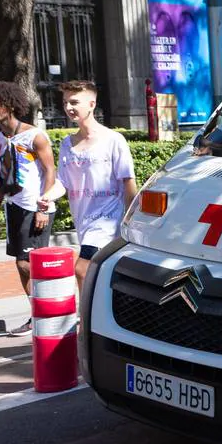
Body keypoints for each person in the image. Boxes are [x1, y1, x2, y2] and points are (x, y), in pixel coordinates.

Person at [37, 81, 137, 289]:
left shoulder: (113, 140)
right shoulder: (67, 144)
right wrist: (48, 196)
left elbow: (128, 181)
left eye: (74, 102)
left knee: (82, 269)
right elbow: (62, 182)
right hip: (83, 220)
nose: (68, 107)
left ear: (92, 104)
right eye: (65, 102)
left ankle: (85, 320)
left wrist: (129, 218)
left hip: (109, 220)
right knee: (105, 276)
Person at [0, 77, 57, 335]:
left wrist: (43, 207)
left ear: (10, 105)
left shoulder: (34, 136)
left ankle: (50, 309)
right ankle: (38, 314)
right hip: (13, 207)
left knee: (28, 263)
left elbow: (50, 172)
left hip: (35, 206)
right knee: (20, 263)